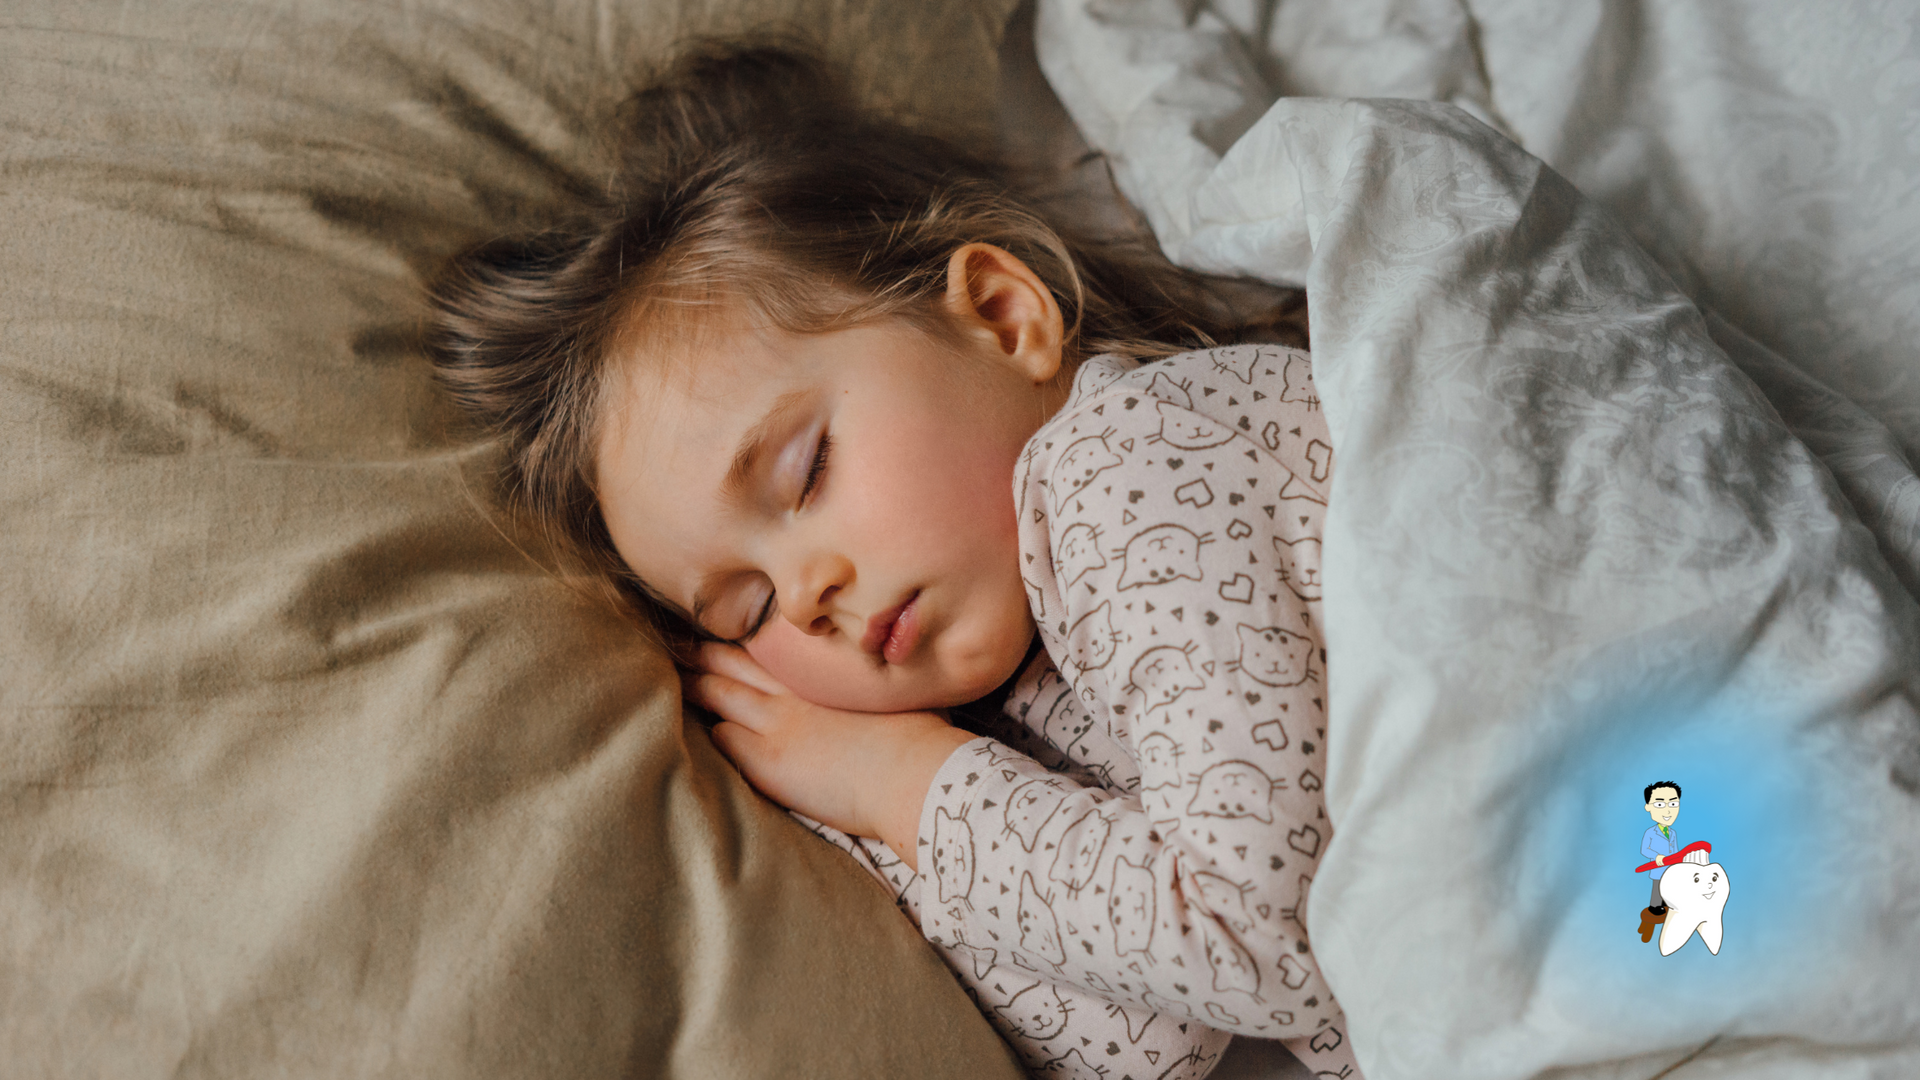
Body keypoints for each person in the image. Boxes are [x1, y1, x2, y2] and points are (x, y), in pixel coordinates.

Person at [426, 41, 1357, 1080]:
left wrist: (901, 788)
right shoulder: (1023, 693)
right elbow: (1147, 1044)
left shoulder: (1131, 462)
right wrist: (866, 815)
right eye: (745, 610)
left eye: (805, 470)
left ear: (1003, 318)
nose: (808, 597)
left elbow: (1267, 942)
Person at [1638, 781, 1683, 941]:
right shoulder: (1651, 833)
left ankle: (1667, 906)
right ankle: (1655, 908)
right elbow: (1645, 850)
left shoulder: (1673, 833)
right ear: (1648, 807)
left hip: (1671, 870)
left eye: (1673, 803)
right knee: (1657, 891)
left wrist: (1678, 862)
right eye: (1659, 804)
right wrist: (1656, 857)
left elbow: (1675, 850)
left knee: (1669, 890)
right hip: (1658, 869)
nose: (1667, 810)